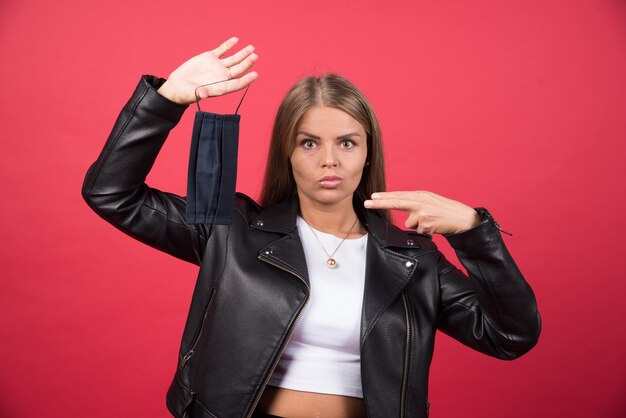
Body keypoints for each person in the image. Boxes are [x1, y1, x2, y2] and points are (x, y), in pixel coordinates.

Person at [82, 37, 541, 418]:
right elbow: (111, 194)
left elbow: (510, 336)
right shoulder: (233, 230)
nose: (329, 160)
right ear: (288, 152)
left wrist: (474, 230)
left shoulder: (413, 260)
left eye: (346, 142)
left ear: (367, 152)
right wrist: (165, 102)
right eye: (309, 143)